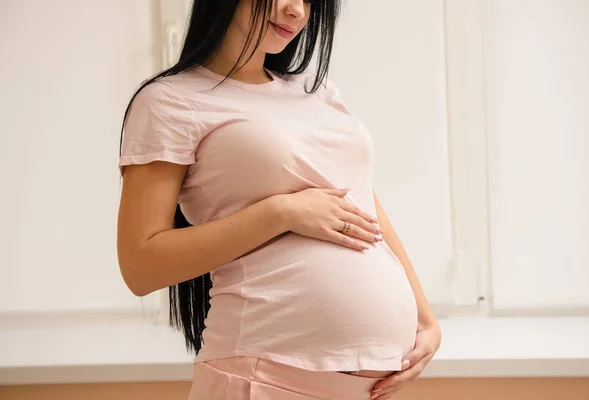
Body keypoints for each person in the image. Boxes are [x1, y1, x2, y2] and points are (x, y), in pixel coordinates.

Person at [116, 0, 441, 399]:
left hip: (368, 388)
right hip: (263, 379)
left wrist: (425, 319)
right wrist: (280, 212)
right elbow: (140, 266)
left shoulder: (315, 92)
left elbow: (361, 204)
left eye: (308, 0)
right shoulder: (171, 100)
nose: (297, 12)